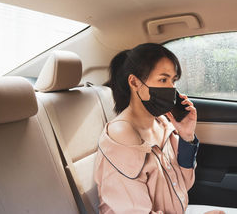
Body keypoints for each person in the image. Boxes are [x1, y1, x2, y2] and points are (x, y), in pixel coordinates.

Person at [94, 43, 225, 214]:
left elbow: (184, 184)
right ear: (134, 82)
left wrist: (186, 136)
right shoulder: (122, 134)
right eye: (163, 80)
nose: (171, 89)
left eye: (173, 81)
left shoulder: (162, 123)